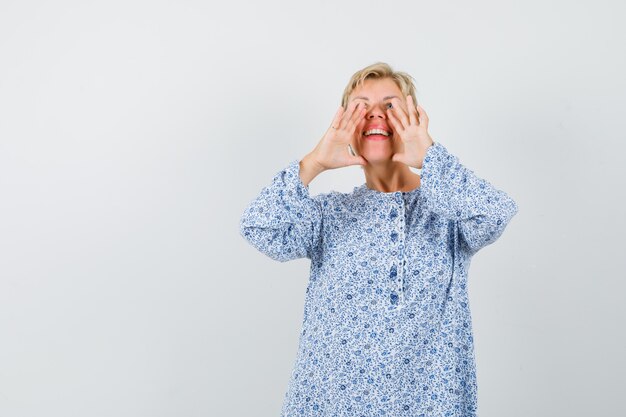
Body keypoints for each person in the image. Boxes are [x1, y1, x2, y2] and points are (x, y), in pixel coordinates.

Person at [239, 62, 518, 417]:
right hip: (330, 405)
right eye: (361, 107)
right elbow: (258, 228)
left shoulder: (448, 214)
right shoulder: (328, 216)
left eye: (390, 106)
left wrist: (431, 157)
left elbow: (497, 213)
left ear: (413, 117)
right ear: (345, 126)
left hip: (429, 405)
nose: (376, 115)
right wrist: (315, 162)